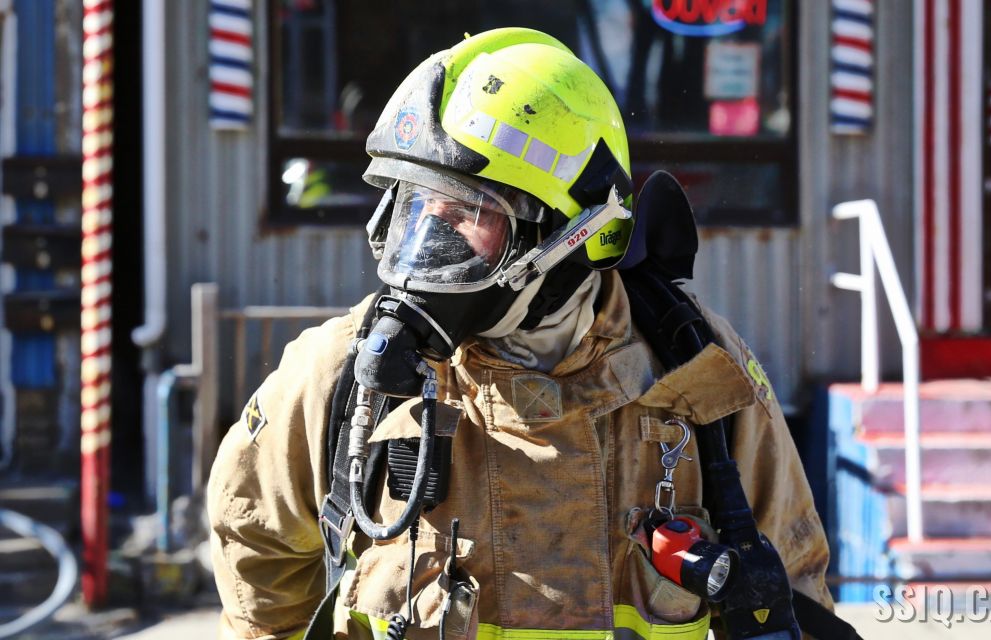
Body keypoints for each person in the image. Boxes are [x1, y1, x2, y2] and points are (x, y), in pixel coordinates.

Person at [207, 27, 833, 640]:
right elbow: (253, 542)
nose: (431, 239)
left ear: (577, 235)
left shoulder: (698, 373)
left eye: (470, 212)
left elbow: (791, 585)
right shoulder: (340, 374)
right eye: (418, 206)